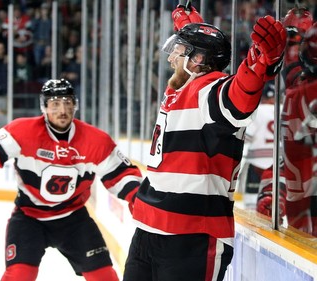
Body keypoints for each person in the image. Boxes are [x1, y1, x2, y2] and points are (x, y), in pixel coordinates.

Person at [122, 4, 287, 281]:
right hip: (148, 230)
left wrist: (260, 62)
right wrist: (192, 26)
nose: (171, 56)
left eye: (179, 49)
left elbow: (237, 97)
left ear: (196, 60)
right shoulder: (182, 86)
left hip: (193, 237)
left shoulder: (208, 88)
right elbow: (203, 53)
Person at [0, 78, 142, 281]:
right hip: (29, 218)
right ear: (44, 107)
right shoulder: (23, 131)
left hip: (74, 220)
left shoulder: (96, 140)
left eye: (67, 102)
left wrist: (138, 196)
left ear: (75, 105)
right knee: (18, 276)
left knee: (105, 277)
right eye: (55, 103)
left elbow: (121, 173)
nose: (62, 110)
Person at [257, 22, 317, 236]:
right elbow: (291, 160)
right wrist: (273, 191)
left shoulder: (296, 96)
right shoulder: (299, 96)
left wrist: (272, 189)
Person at [239, 81, 276, 210]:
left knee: (251, 199)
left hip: (256, 163)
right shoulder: (282, 109)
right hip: (277, 163)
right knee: (273, 197)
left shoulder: (258, 111)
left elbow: (246, 139)